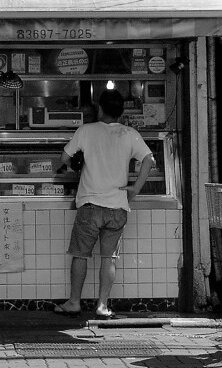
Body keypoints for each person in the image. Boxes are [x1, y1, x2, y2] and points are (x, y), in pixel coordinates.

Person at [54, 89, 155, 320]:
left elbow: (64, 158)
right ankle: (101, 305)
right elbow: (149, 159)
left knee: (80, 255)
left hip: (90, 206)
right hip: (117, 207)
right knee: (108, 258)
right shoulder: (129, 134)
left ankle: (74, 302)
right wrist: (135, 188)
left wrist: (76, 165)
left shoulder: (86, 130)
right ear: (121, 111)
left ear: (100, 109)